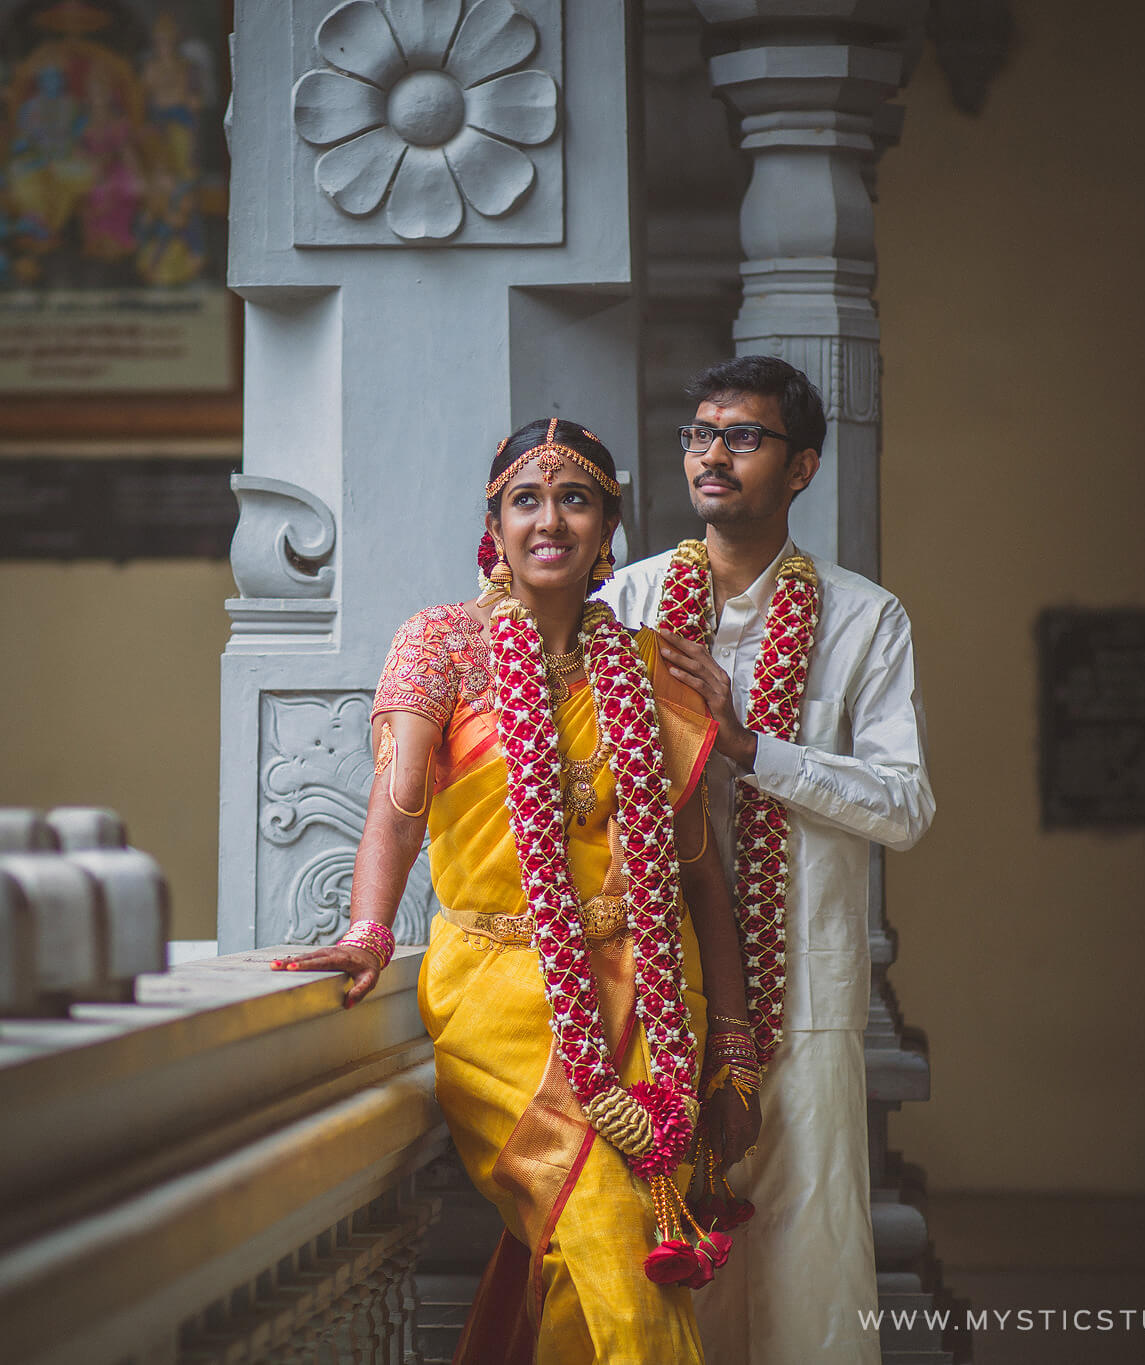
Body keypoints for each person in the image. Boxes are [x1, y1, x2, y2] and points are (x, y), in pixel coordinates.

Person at [277, 419, 765, 1364]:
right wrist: (369, 930)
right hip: (498, 998)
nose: (551, 520)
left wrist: (734, 1046)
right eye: (527, 500)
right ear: (493, 525)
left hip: (654, 997)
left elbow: (703, 875)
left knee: (590, 1271)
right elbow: (398, 810)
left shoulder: (654, 665)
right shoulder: (442, 648)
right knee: (616, 1236)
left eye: (575, 499)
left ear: (608, 527)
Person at [597, 356, 935, 1365]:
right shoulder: (624, 602)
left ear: (801, 469)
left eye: (742, 436)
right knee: (657, 1251)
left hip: (803, 991)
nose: (712, 454)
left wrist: (746, 747)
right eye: (698, 433)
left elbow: (903, 805)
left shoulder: (863, 620)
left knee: (806, 1270)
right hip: (657, 991)